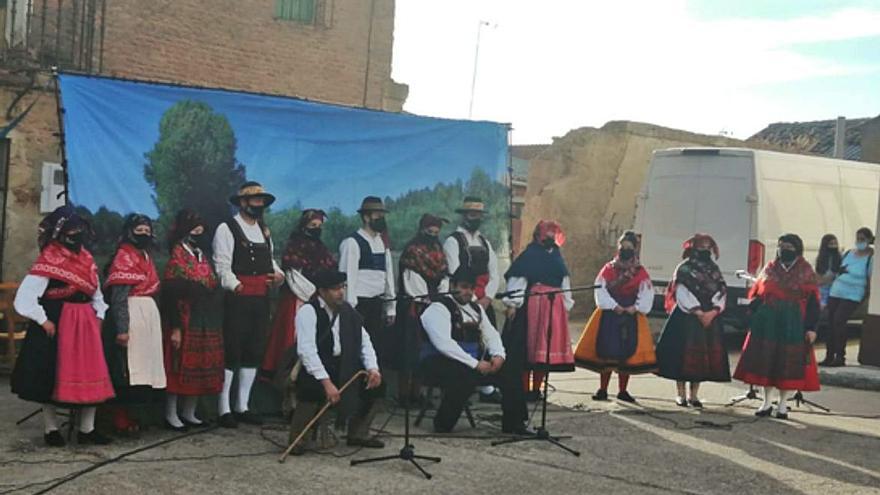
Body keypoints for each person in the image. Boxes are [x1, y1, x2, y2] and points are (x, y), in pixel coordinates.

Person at [11, 206, 114, 446]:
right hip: (57, 322)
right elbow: (25, 296)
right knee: (52, 374)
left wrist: (99, 315)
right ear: (59, 233)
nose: (76, 235)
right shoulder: (49, 258)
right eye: (71, 231)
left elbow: (97, 293)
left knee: (92, 374)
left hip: (86, 323)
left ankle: (87, 430)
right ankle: (51, 429)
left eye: (79, 230)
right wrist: (43, 319)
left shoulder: (87, 259)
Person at [288, 270, 384, 455]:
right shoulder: (309, 311)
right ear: (322, 291)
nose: (340, 292)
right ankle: (299, 438)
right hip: (316, 367)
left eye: (342, 287)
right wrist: (326, 383)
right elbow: (307, 351)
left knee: (378, 386)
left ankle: (358, 433)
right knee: (310, 389)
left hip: (344, 366)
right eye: (335, 289)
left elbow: (364, 341)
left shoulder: (348, 312)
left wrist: (373, 369)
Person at [213, 182, 285, 428]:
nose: (259, 205)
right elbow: (221, 265)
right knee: (233, 350)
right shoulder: (227, 228)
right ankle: (223, 408)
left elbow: (270, 261)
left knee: (254, 350)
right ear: (242, 203)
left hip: (261, 298)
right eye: (254, 200)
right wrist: (235, 285)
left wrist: (278, 274)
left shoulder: (264, 230)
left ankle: (242, 405)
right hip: (238, 298)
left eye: (261, 201)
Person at [733, 234, 820, 419]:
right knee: (767, 361)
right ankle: (766, 402)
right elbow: (758, 293)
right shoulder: (770, 268)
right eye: (781, 246)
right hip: (768, 322)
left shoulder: (806, 271)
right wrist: (751, 313)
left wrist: (811, 328)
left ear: (797, 248)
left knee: (787, 363)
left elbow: (813, 302)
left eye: (789, 246)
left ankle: (782, 405)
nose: (784, 249)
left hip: (793, 323)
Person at [420, 267, 513, 433]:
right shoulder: (438, 308)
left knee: (510, 369)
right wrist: (475, 364)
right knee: (464, 375)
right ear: (452, 285)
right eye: (463, 287)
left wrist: (499, 355)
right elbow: (444, 344)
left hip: (471, 361)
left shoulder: (476, 309)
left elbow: (491, 334)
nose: (468, 292)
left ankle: (515, 423)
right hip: (437, 362)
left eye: (471, 288)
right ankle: (443, 424)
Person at [574, 231, 656, 403]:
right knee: (606, 350)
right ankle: (602, 389)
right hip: (611, 314)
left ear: (634, 249)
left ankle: (622, 391)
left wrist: (636, 307)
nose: (625, 250)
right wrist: (613, 306)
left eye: (629, 247)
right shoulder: (609, 268)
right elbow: (600, 288)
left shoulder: (640, 272)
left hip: (631, 314)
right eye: (622, 247)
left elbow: (646, 291)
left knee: (627, 352)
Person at [161, 210, 225, 430]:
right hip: (184, 317)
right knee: (178, 365)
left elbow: (210, 283)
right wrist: (176, 327)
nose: (199, 231)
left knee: (199, 365)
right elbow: (170, 293)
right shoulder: (177, 256)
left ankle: (189, 411)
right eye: (194, 227)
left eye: (201, 227)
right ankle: (171, 413)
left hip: (203, 318)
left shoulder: (201, 255)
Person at [104, 213, 166, 435]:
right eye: (139, 230)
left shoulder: (146, 256)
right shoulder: (124, 257)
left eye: (147, 230)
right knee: (127, 368)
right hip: (132, 312)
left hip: (148, 313)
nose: (143, 234)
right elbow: (118, 297)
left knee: (145, 368)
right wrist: (122, 329)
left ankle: (137, 415)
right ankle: (120, 417)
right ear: (129, 232)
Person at [503, 220, 575, 403]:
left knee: (545, 352)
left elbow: (564, 282)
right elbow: (519, 279)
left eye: (553, 234)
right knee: (527, 349)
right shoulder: (530, 255)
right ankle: (525, 389)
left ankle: (536, 389)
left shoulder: (557, 257)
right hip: (532, 306)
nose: (550, 237)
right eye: (547, 233)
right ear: (538, 235)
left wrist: (566, 305)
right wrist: (513, 303)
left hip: (554, 307)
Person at [260, 209, 336, 381]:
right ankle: (284, 377)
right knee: (291, 338)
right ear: (304, 226)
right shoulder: (295, 246)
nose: (316, 229)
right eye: (313, 225)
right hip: (297, 296)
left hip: (319, 297)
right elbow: (293, 274)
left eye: (319, 226)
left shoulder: (321, 248)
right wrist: (311, 294)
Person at [655, 234, 730, 408]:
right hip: (686, 316)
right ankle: (680, 395)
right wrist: (697, 311)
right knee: (681, 356)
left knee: (701, 360)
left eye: (707, 246)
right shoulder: (684, 268)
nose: (704, 249)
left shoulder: (714, 269)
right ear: (693, 247)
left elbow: (721, 291)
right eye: (701, 246)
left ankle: (694, 395)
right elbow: (680, 291)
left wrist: (713, 312)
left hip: (709, 317)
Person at [443, 196, 502, 403]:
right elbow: (455, 272)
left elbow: (494, 273)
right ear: (464, 215)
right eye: (471, 214)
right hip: (464, 299)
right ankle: (464, 385)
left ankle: (487, 387)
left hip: (484, 299)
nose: (475, 218)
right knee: (466, 339)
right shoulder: (453, 241)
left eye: (478, 215)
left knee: (488, 340)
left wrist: (488, 297)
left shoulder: (485, 241)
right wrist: (474, 298)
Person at [394, 213, 450, 402]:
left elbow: (443, 275)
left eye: (437, 231)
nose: (434, 234)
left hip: (433, 306)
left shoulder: (438, 249)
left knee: (425, 350)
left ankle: (418, 393)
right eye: (430, 230)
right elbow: (412, 282)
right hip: (414, 306)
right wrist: (426, 300)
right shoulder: (412, 251)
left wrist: (439, 297)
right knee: (409, 351)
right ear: (423, 229)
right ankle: (404, 394)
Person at [338, 196, 396, 373]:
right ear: (366, 217)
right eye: (377, 214)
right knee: (356, 350)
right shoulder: (352, 242)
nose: (381, 218)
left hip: (376, 303)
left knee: (375, 349)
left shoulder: (381, 242)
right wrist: (350, 308)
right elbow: (347, 277)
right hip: (359, 304)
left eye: (382, 214)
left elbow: (388, 277)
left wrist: (390, 307)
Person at [822, 227, 874, 367]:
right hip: (837, 291)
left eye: (863, 239)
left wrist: (865, 296)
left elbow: (870, 279)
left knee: (839, 320)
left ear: (869, 240)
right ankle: (829, 355)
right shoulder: (849, 253)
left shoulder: (871, 257)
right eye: (858, 239)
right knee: (830, 321)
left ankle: (840, 356)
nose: (859, 242)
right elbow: (837, 270)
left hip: (854, 293)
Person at [815, 234, 842, 310]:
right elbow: (818, 276)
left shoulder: (839, 257)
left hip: (834, 289)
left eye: (835, 244)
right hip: (822, 289)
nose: (833, 246)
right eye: (831, 244)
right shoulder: (820, 258)